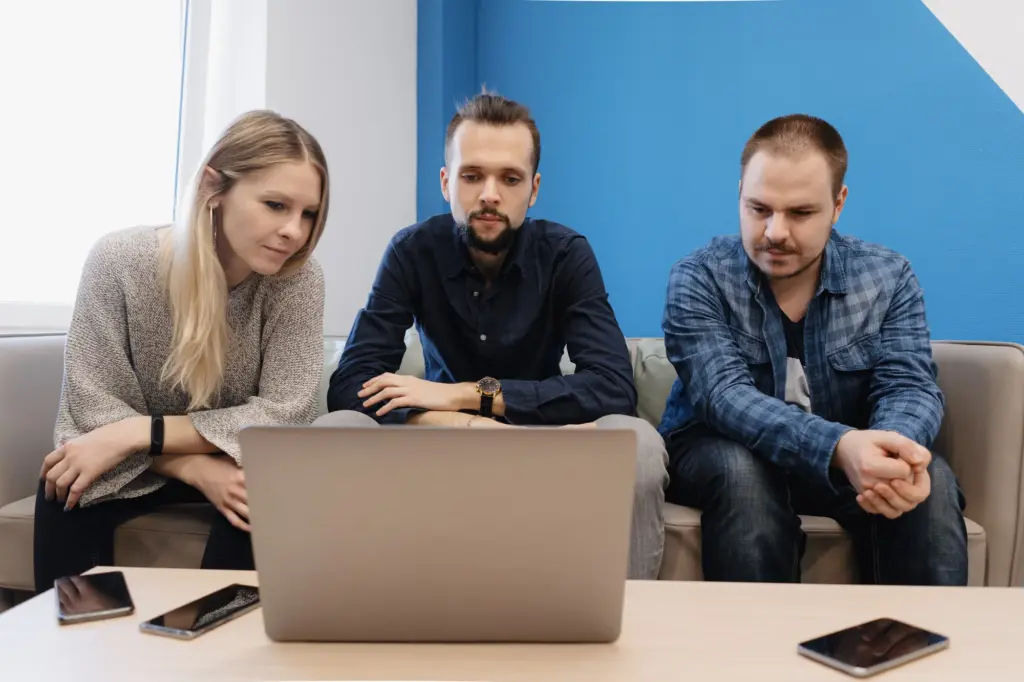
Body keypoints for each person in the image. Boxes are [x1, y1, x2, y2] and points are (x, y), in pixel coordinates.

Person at [322, 91, 669, 580]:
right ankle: (343, 619)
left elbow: (614, 388)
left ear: (533, 189)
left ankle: (632, 617)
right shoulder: (411, 251)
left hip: (545, 444)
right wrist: (460, 424)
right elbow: (348, 386)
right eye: (472, 176)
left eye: (510, 178)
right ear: (446, 182)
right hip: (436, 445)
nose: (490, 194)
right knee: (336, 428)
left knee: (640, 442)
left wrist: (466, 396)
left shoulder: (566, 254)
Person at [659, 114, 968, 585]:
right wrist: (839, 446)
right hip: (719, 451)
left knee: (933, 484)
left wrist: (892, 452)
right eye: (758, 208)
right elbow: (722, 396)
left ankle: (915, 633)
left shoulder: (888, 278)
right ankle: (756, 635)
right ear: (740, 192)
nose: (774, 232)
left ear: (838, 204)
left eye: (800, 213)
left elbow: (909, 385)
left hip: (848, 460)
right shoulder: (699, 277)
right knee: (743, 474)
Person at [33, 110, 331, 593]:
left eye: (308, 214)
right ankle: (72, 634)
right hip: (144, 463)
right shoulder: (118, 261)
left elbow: (285, 414)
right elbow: (92, 408)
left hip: (228, 460)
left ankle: (211, 636)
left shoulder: (299, 279)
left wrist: (139, 431)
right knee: (65, 482)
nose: (294, 231)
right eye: (276, 205)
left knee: (260, 495)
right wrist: (193, 467)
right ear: (213, 187)